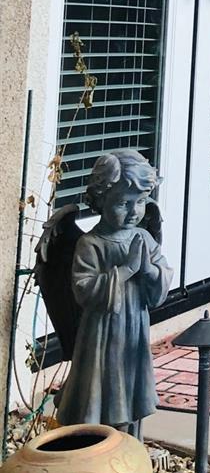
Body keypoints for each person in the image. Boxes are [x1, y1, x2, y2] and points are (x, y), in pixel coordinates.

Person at [54, 150, 173, 436]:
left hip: (134, 330)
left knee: (131, 389)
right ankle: (96, 449)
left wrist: (149, 272)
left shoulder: (143, 237)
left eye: (141, 202)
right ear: (100, 200)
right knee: (102, 391)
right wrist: (126, 270)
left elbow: (162, 281)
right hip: (101, 336)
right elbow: (83, 290)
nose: (134, 211)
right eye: (123, 203)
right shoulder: (91, 244)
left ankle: (130, 451)